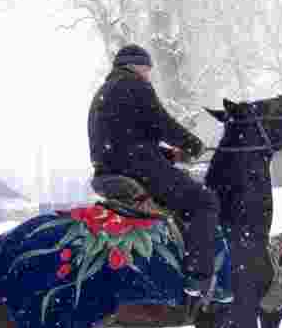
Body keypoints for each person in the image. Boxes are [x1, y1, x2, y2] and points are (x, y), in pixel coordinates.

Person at [88, 43, 230, 303]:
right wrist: (192, 144)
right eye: (147, 69)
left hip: (109, 172)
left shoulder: (103, 93)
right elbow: (161, 122)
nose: (149, 75)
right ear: (137, 66)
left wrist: (169, 156)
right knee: (204, 201)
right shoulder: (135, 85)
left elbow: (125, 140)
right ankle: (199, 279)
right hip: (137, 169)